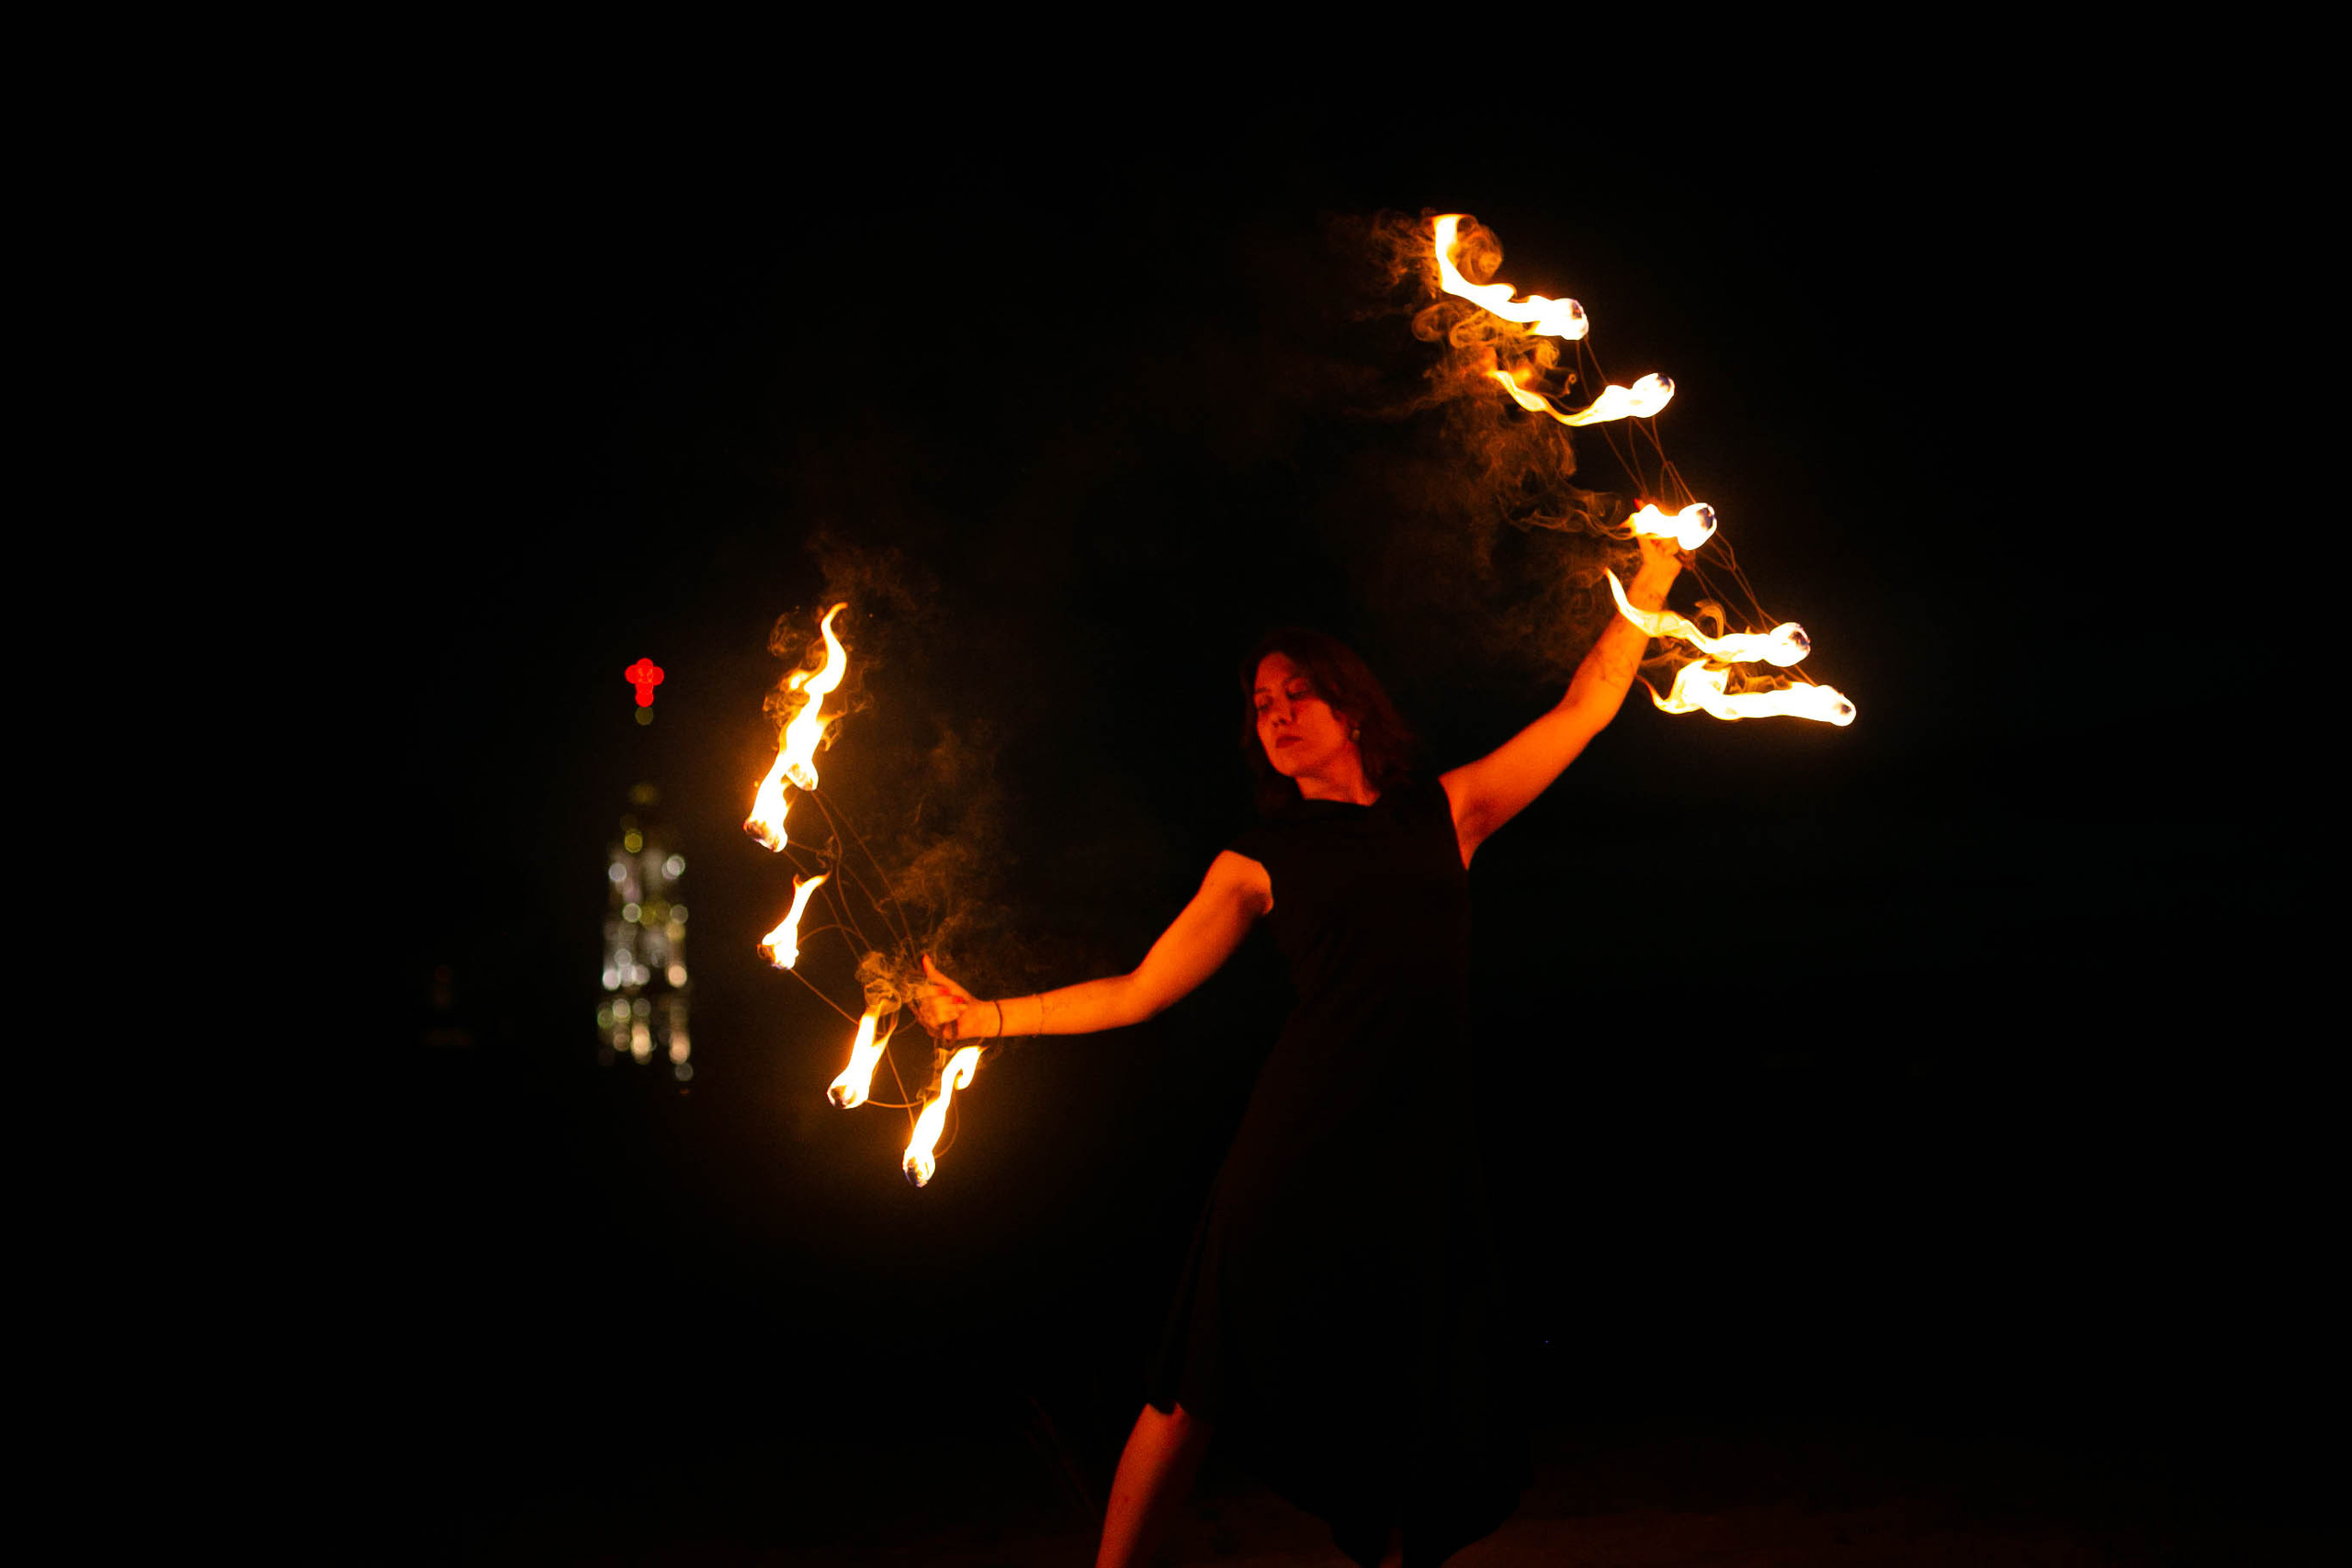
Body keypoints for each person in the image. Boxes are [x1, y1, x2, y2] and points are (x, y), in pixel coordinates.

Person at [917, 536, 1684, 1568]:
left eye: (1293, 696)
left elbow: (1584, 706)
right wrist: (986, 1020)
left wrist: (1656, 568)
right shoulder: (1256, 861)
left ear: (1351, 709)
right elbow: (1141, 991)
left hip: (1420, 1146)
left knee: (1420, 1376)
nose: (1272, 716)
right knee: (1199, 1371)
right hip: (1301, 1140)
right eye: (1260, 707)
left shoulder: (1448, 813)